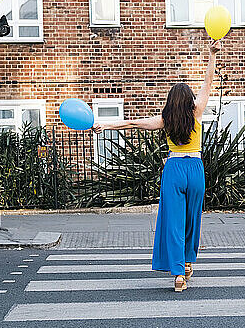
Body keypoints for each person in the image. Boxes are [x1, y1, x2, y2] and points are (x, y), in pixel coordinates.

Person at [93, 40, 221, 292]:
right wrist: (211, 54)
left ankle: (178, 276)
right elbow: (208, 83)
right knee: (191, 220)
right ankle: (186, 262)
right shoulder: (197, 112)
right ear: (189, 101)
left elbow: (133, 123)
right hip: (195, 169)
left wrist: (105, 125)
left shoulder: (165, 120)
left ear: (171, 102)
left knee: (173, 222)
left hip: (174, 170)